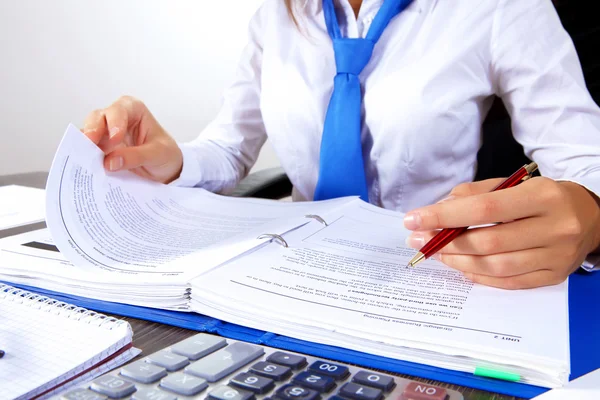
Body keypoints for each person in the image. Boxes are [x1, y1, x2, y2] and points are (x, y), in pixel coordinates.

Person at [82, 0, 600, 290]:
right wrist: (175, 161)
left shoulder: (499, 9)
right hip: (297, 265)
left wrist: (591, 211)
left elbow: (585, 163)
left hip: (432, 267)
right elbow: (229, 148)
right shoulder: (274, 18)